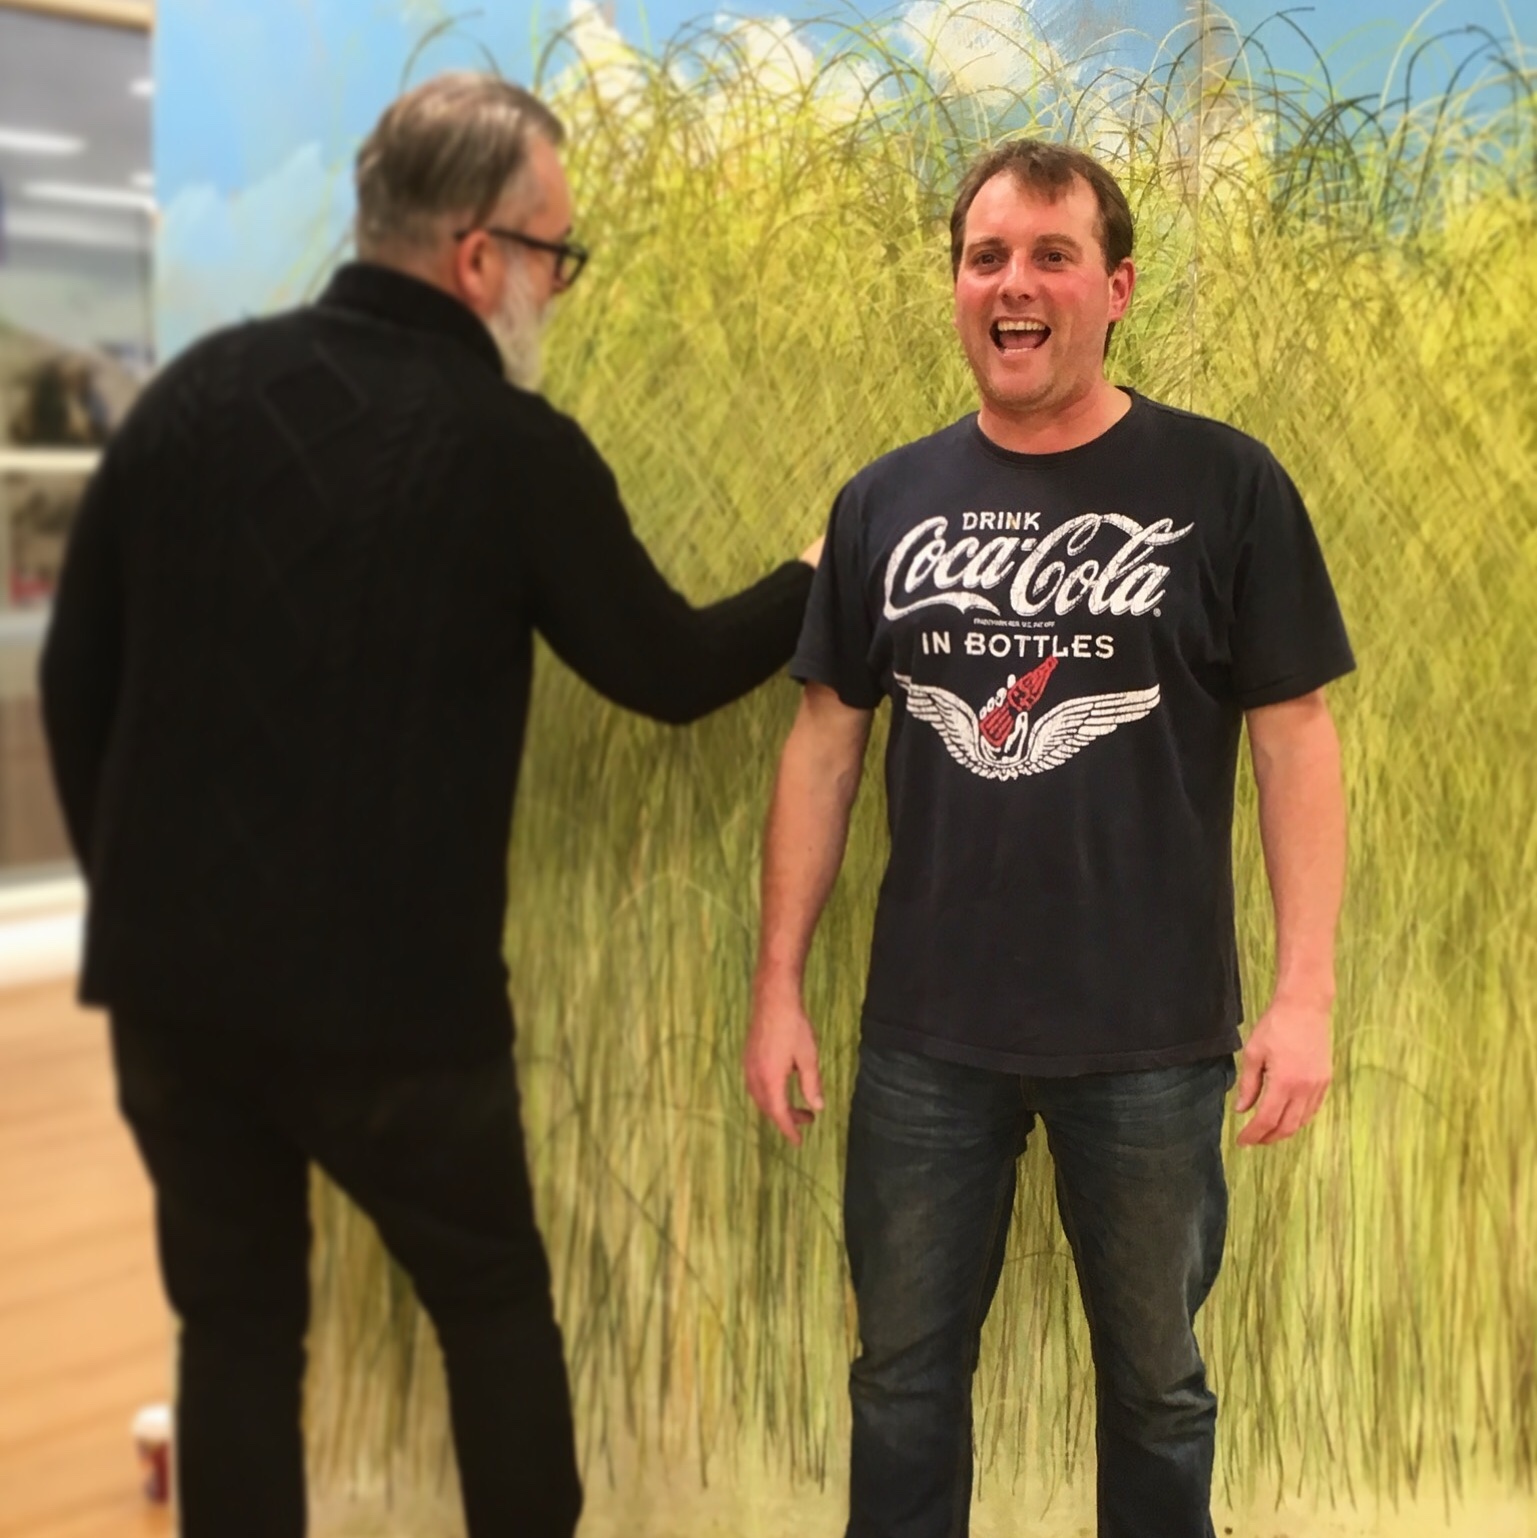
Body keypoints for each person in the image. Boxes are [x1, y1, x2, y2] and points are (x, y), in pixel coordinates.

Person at [41, 73, 819, 1538]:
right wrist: (816, 578)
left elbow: (75, 683)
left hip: (173, 999)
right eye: (556, 255)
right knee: (489, 1303)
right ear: (478, 257)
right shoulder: (510, 446)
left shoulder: (193, 395)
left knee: (234, 1332)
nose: (557, 288)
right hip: (395, 1019)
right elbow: (666, 670)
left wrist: (141, 908)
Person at [744, 138, 1352, 1538]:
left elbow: (1295, 737)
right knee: (901, 1383)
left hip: (1151, 1039)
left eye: (1050, 256)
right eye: (986, 258)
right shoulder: (883, 502)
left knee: (1157, 1393)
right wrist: (777, 985)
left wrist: (1306, 992)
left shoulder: (1225, 484)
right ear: (958, 287)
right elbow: (823, 746)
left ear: (1115, 287)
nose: (1012, 284)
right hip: (925, 1037)